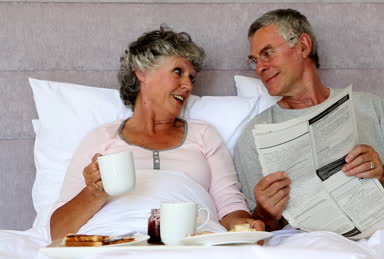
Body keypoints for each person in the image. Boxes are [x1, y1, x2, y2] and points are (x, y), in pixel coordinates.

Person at [50, 26, 264, 240]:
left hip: (190, 240)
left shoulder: (203, 134)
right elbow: (58, 231)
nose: (188, 85)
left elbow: (229, 206)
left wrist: (247, 227)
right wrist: (93, 192)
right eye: (178, 72)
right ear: (142, 73)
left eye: (192, 77)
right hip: (115, 241)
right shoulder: (102, 137)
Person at [234, 9, 384, 231]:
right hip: (311, 243)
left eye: (267, 53)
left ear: (303, 46)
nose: (259, 68)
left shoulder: (369, 106)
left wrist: (381, 173)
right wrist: (265, 212)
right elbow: (257, 228)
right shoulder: (256, 133)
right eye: (255, 60)